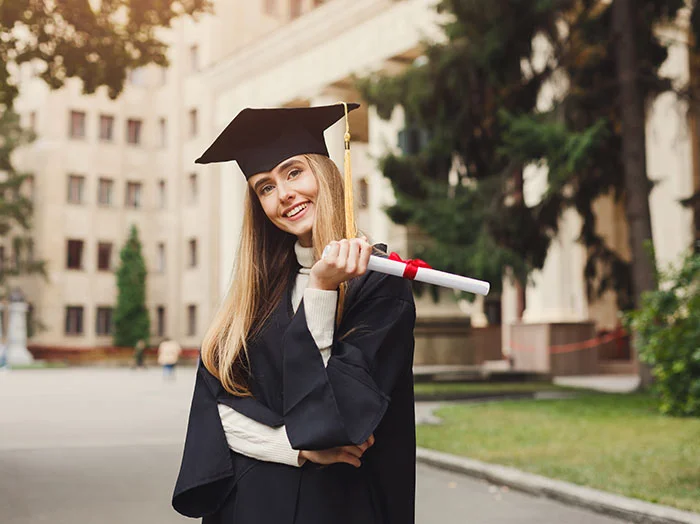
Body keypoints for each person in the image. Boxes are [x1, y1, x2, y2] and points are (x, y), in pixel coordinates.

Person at [172, 103, 417, 524]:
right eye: (265, 187)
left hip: (340, 507)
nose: (283, 194)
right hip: (251, 507)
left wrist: (321, 289)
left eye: (293, 172)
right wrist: (294, 448)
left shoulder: (380, 285)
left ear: (324, 173)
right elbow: (213, 412)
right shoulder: (254, 294)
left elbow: (338, 419)